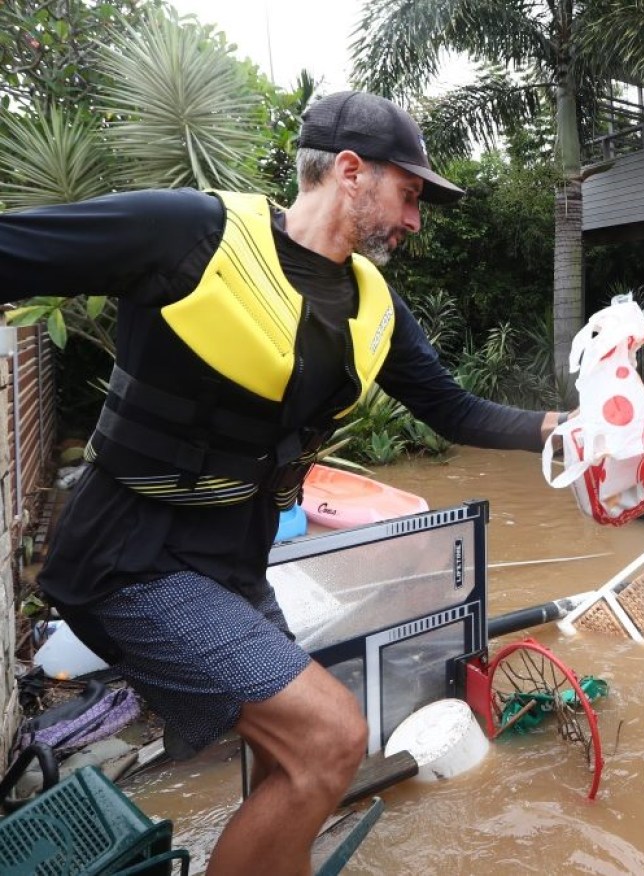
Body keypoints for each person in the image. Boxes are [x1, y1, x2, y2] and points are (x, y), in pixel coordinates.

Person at [0, 91, 573, 875]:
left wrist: (564, 430)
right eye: (409, 196)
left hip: (233, 569)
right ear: (349, 171)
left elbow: (452, 410)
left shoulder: (374, 306)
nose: (414, 221)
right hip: (129, 559)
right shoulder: (187, 233)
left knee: (288, 762)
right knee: (331, 736)